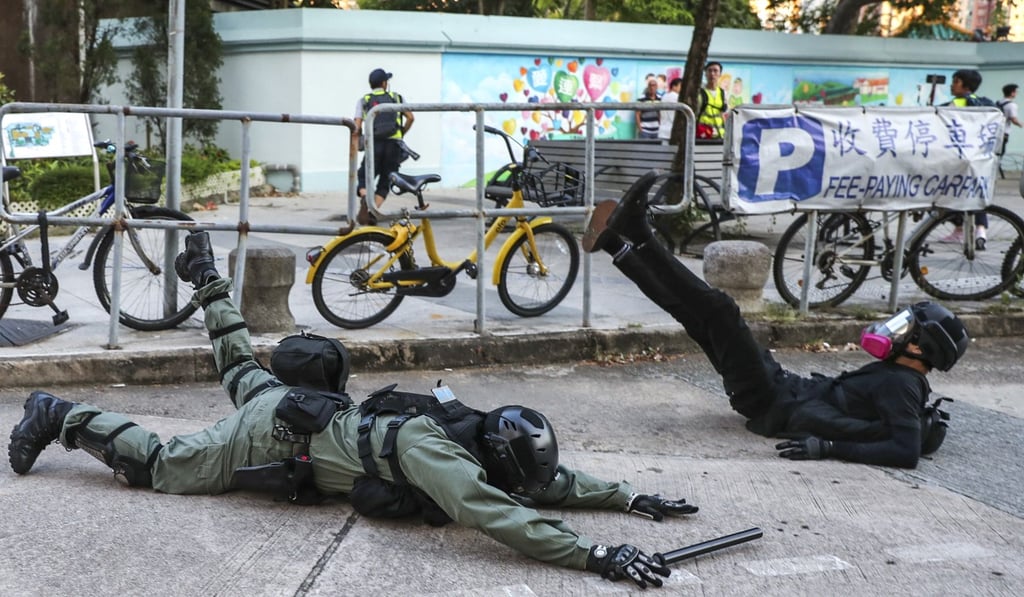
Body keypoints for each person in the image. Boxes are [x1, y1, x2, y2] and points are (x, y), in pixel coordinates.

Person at [8, 232, 699, 590]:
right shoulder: (443, 458)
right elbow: (502, 513)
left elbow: (546, 480)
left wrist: (630, 497)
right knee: (159, 465)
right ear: (495, 457)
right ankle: (58, 413)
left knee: (244, 369)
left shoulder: (475, 429)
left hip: (299, 406)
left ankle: (206, 280)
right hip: (270, 437)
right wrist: (596, 554)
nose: (522, 479)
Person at [581, 171, 969, 469]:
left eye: (906, 330)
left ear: (919, 347)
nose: (895, 330)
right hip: (779, 389)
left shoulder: (903, 385)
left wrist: (828, 448)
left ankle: (640, 235)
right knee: (695, 316)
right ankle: (618, 246)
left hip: (772, 396)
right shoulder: (901, 377)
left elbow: (905, 451)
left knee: (720, 310)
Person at [942, 69, 996, 247]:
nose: (952, 85)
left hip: (955, 158)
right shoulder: (987, 104)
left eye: (956, 81)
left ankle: (959, 228)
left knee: (942, 193)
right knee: (976, 192)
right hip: (980, 158)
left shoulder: (955, 104)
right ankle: (980, 230)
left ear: (966, 85)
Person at [354, 68, 415, 225]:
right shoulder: (396, 98)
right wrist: (401, 132)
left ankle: (365, 199)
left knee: (363, 176)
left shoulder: (364, 100)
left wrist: (355, 144)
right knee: (386, 180)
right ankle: (373, 211)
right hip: (393, 145)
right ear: (384, 83)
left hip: (373, 144)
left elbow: (356, 126)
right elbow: (410, 118)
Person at [697, 61, 728, 140]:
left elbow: (724, 113)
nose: (712, 74)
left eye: (715, 71)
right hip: (703, 135)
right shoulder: (699, 92)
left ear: (720, 74)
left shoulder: (723, 93)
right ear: (705, 73)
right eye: (709, 70)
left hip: (720, 135)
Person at [997, 83, 1022, 178]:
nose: (1016, 93)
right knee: (1001, 152)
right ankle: (996, 170)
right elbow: (1013, 119)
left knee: (997, 152)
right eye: (1016, 91)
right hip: (1004, 133)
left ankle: (997, 170)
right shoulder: (1012, 105)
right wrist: (1021, 124)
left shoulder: (999, 102)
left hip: (996, 131)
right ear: (1012, 93)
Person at [657, 77, 683, 145]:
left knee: (664, 153)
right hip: (673, 130)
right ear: (674, 86)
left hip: (663, 130)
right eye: (680, 86)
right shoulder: (677, 98)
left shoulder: (664, 97)